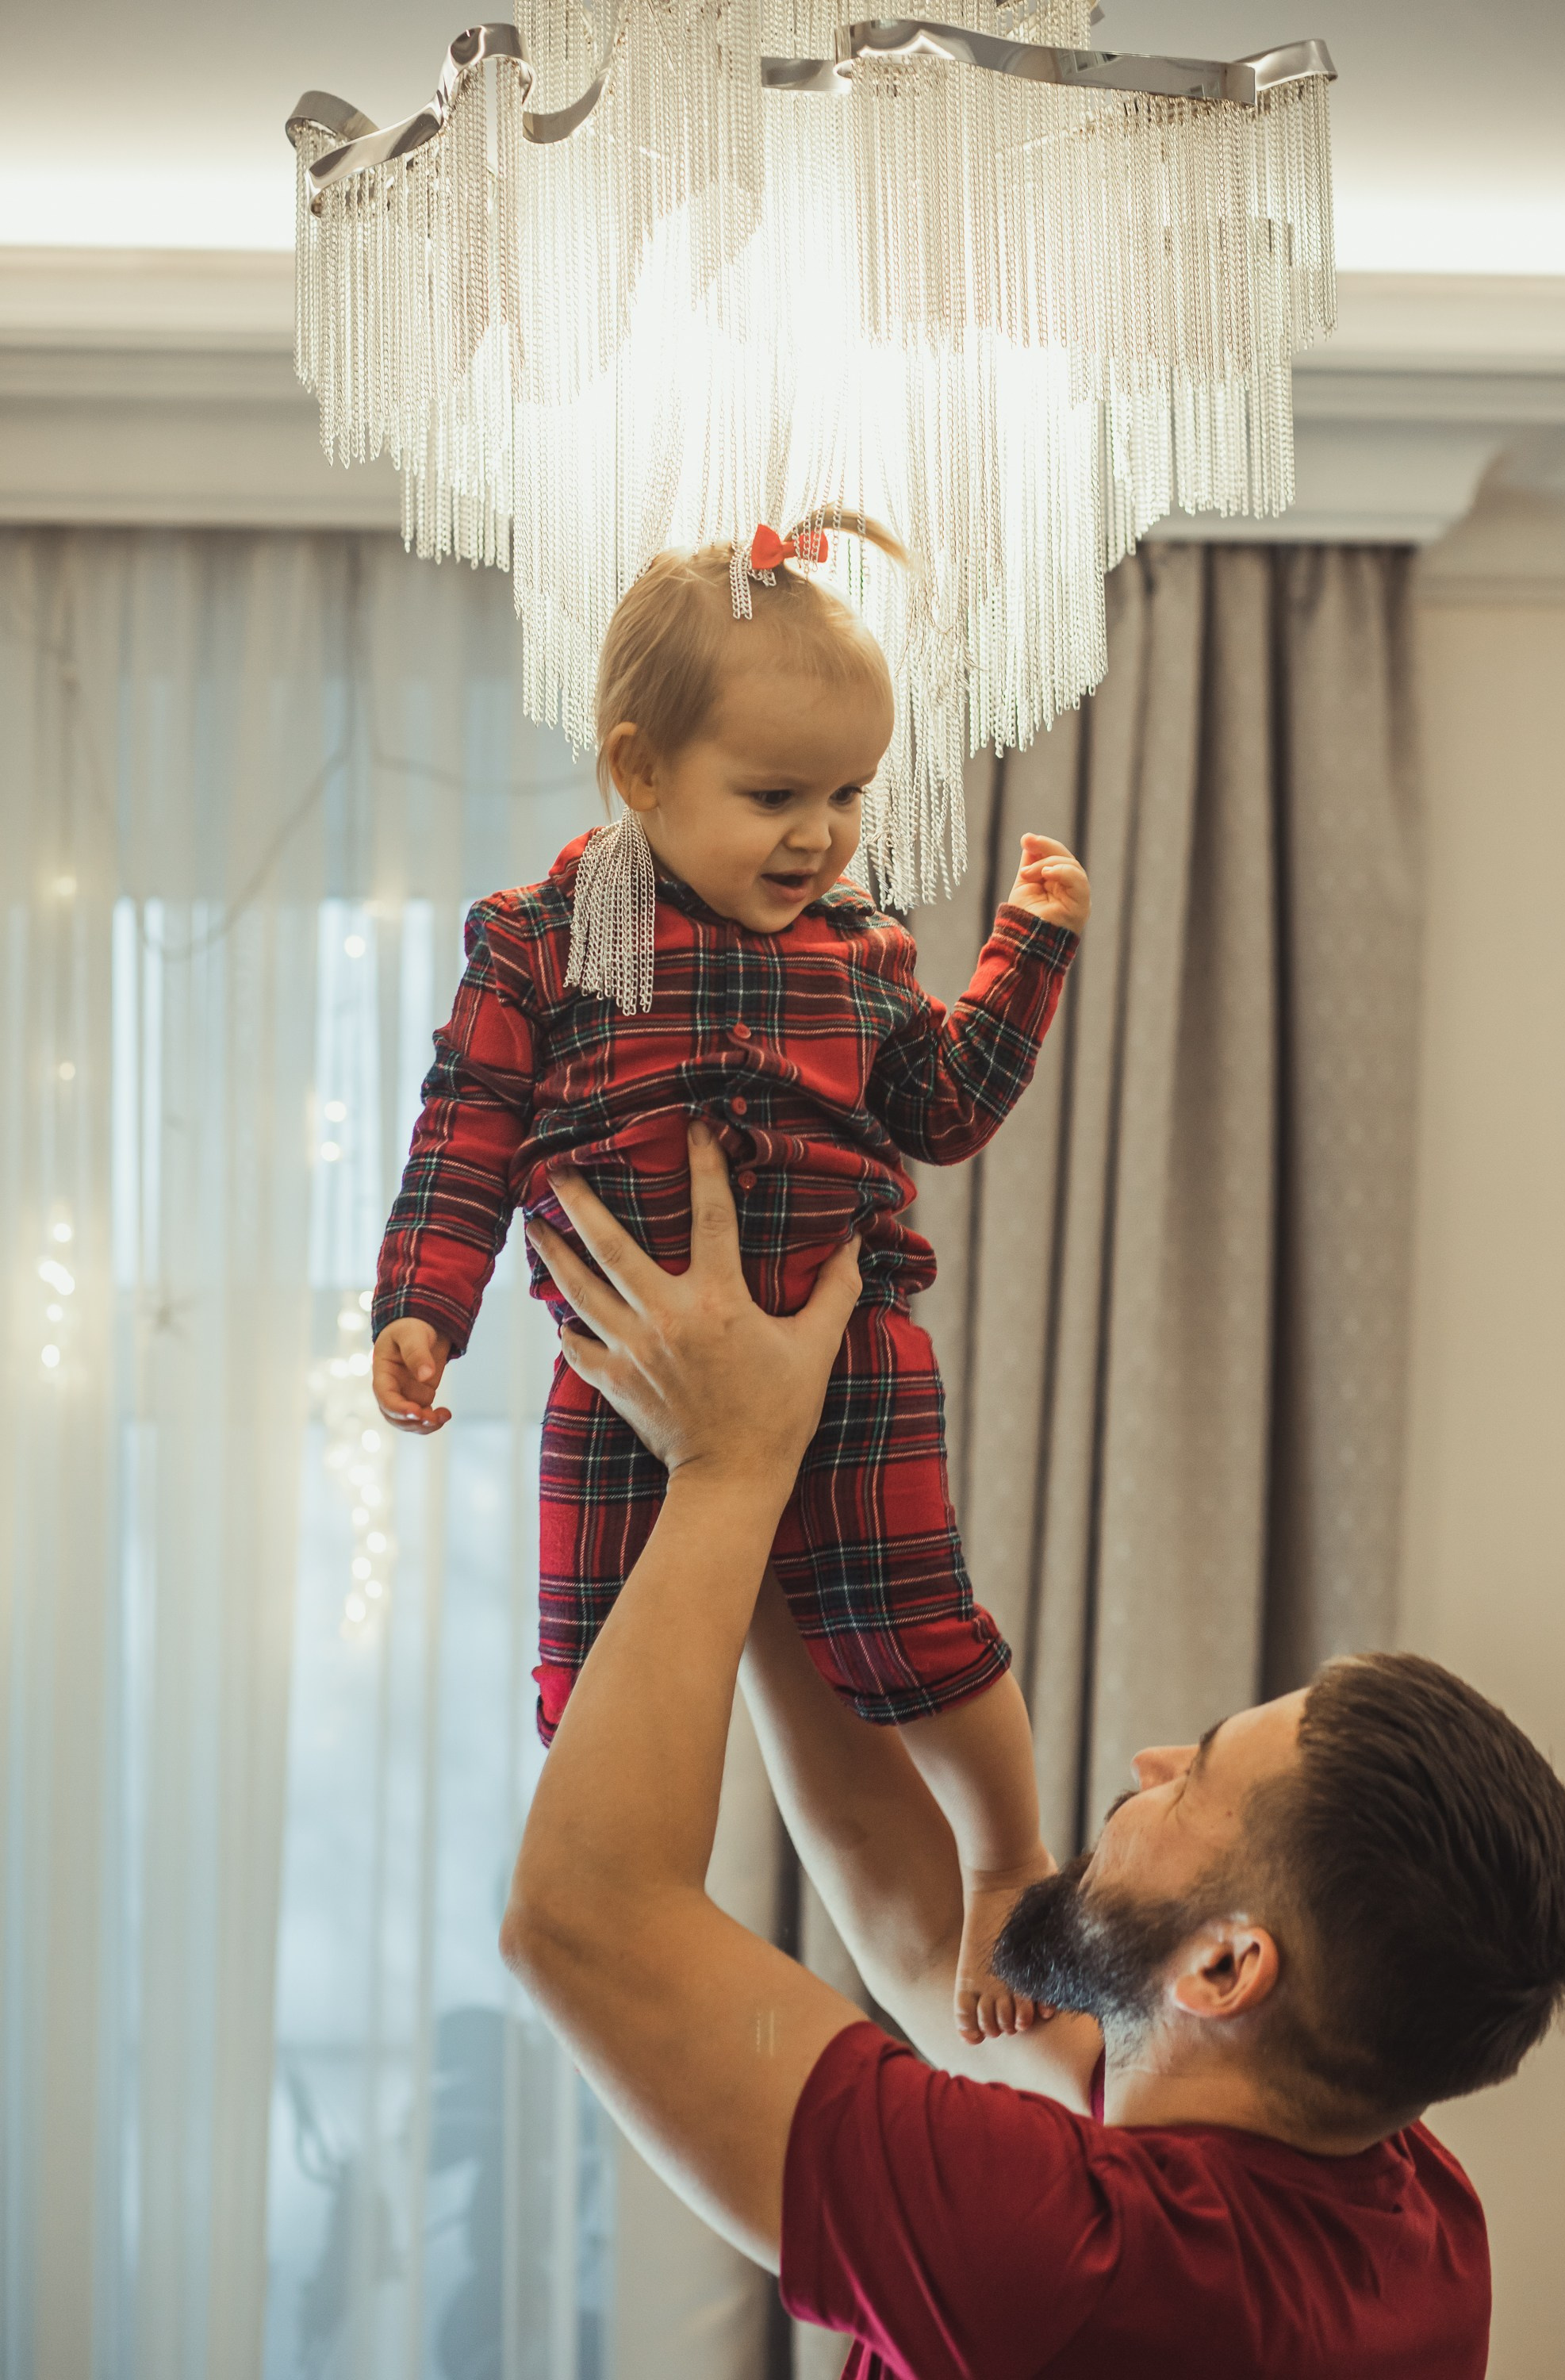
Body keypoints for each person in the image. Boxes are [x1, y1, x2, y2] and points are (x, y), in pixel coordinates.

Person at [498, 1128, 1565, 2380]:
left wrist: (724, 1470)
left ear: (1228, 1967)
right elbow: (919, 1940)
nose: (1152, 1762)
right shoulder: (1400, 2202)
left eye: (1201, 1778)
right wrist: (773, 1461)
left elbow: (582, 1920)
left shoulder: (1084, 2269)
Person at [370, 518, 1091, 2038]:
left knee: (915, 1619)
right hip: (617, 1378)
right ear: (640, 772)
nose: (820, 834)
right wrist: (424, 1306)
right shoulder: (543, 942)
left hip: (851, 1357)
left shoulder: (859, 954)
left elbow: (943, 1109)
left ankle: (1010, 1857)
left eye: (845, 796)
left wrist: (1026, 950)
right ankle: (651, 1938)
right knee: (592, 1664)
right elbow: (467, 1127)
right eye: (774, 795)